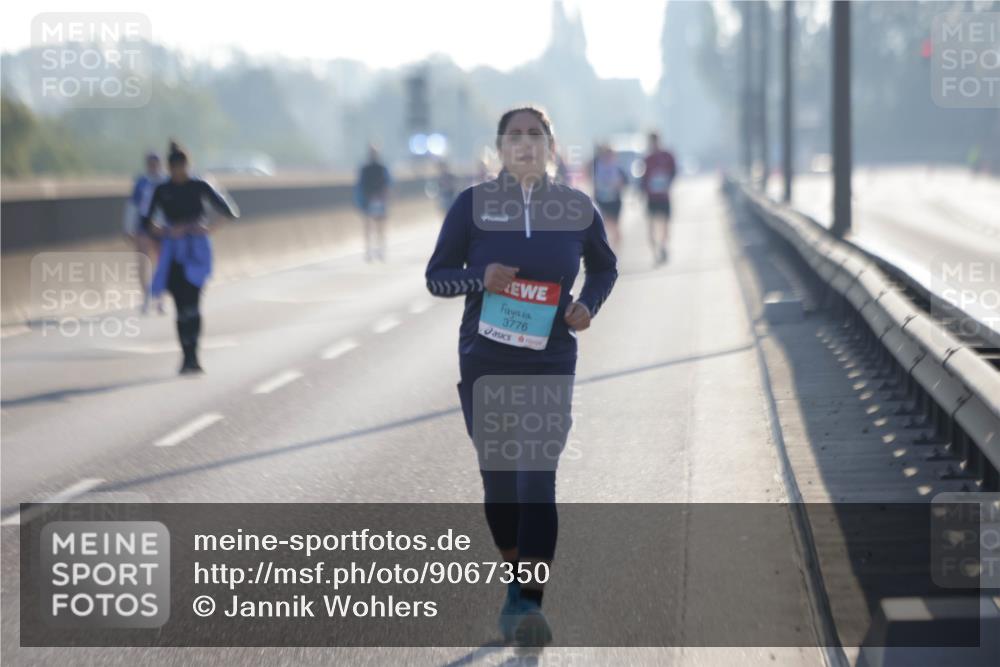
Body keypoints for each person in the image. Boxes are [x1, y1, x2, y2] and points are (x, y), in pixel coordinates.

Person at [425, 106, 617, 647]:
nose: (526, 144)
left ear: (551, 146)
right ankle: (515, 580)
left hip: (550, 357)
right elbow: (435, 278)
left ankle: (530, 603)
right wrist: (478, 277)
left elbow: (606, 266)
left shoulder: (576, 208)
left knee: (538, 480)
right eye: (516, 136)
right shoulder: (472, 207)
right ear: (500, 148)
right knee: (500, 484)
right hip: (485, 360)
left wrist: (588, 305)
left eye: (536, 135)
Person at [142, 140, 239, 374]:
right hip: (173, 251)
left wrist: (208, 228)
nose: (179, 174)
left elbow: (230, 212)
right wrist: (167, 231)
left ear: (188, 166)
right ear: (170, 168)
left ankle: (194, 356)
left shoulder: (200, 185)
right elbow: (146, 222)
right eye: (175, 171)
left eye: (183, 170)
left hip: (196, 249)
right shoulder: (162, 189)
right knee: (180, 306)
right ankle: (186, 356)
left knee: (193, 305)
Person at [124, 152, 166, 314]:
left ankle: (159, 297)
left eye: (156, 163)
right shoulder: (141, 183)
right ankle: (145, 296)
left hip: (162, 227)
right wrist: (128, 228)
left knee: (160, 263)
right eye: (150, 163)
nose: (153, 166)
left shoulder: (165, 181)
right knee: (143, 262)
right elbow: (132, 206)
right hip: (143, 226)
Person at [640, 131, 677, 264]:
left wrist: (668, 184)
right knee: (651, 224)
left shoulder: (667, 156)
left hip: (664, 196)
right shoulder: (647, 159)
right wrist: (642, 192)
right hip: (651, 197)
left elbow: (674, 172)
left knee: (665, 223)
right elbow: (643, 178)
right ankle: (655, 252)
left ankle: (663, 246)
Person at [356, 145, 391, 262]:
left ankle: (380, 249)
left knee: (379, 226)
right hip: (368, 200)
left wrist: (384, 197)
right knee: (368, 227)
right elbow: (360, 185)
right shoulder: (365, 169)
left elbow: (387, 184)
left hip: (379, 200)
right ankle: (369, 250)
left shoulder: (382, 168)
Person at [590, 143, 627, 250]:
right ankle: (607, 248)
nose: (607, 157)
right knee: (603, 224)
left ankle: (616, 246)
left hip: (615, 201)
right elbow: (593, 182)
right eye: (605, 155)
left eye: (610, 155)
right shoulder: (597, 167)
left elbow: (624, 182)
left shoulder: (618, 168)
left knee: (614, 225)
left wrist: (617, 184)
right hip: (601, 200)